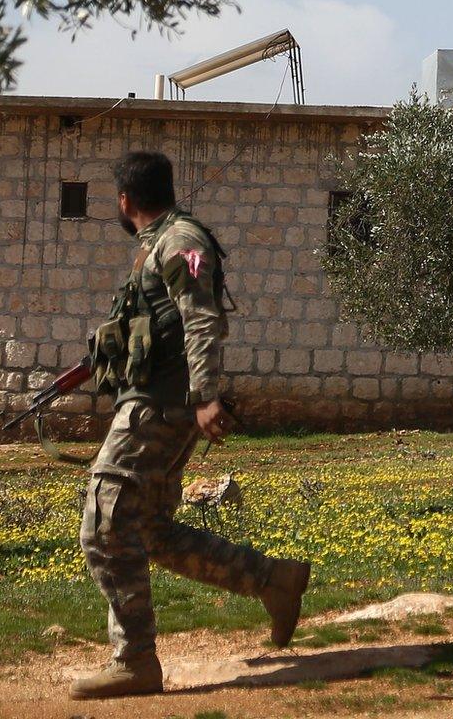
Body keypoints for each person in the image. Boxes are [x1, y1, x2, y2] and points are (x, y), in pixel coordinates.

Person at [70, 151, 310, 700]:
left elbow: (202, 318)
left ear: (125, 200)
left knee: (104, 526)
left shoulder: (180, 241)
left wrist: (205, 396)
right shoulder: (158, 245)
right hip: (158, 401)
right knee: (152, 530)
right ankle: (274, 581)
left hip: (161, 407)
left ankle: (135, 661)